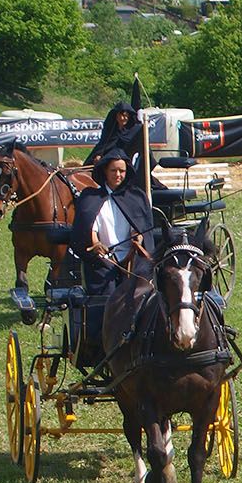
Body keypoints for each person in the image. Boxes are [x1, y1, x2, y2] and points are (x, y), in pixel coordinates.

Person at [69, 152, 157, 362]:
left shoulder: (136, 197)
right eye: (114, 171)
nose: (118, 175)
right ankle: (102, 346)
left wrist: (138, 240)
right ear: (105, 172)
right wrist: (95, 243)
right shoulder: (91, 197)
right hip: (102, 262)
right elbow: (89, 227)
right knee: (106, 301)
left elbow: (142, 228)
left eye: (122, 171)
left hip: (131, 261)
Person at [84, 102, 143, 173]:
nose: (122, 118)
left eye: (125, 116)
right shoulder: (110, 130)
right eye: (120, 115)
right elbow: (103, 144)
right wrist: (99, 154)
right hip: (107, 159)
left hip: (125, 161)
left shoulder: (133, 131)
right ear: (116, 116)